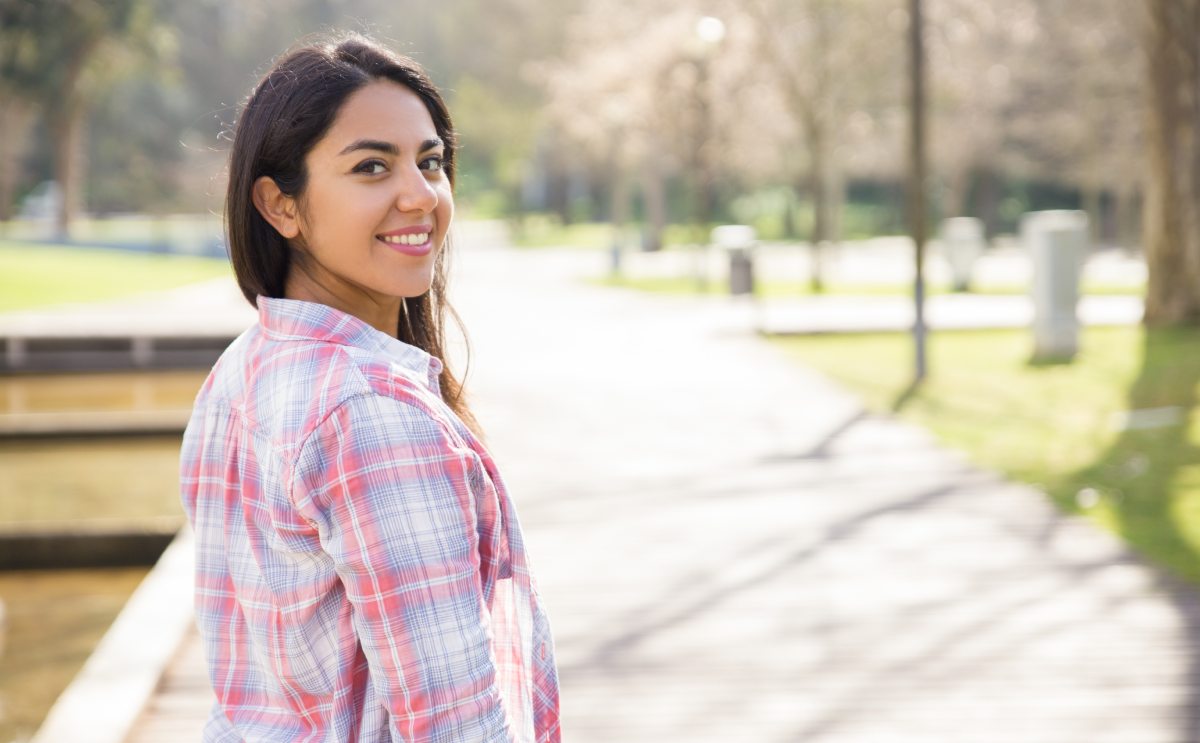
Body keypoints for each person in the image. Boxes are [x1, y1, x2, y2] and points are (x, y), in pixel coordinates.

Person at [179, 33, 561, 742]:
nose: (419, 195)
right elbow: (454, 722)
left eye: (431, 161)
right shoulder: (373, 414)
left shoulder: (243, 369)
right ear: (280, 205)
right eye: (371, 167)